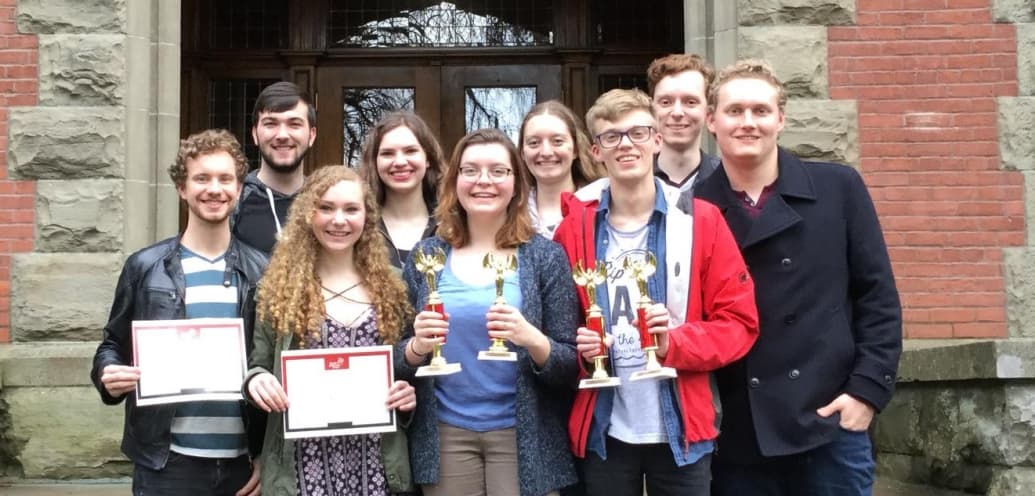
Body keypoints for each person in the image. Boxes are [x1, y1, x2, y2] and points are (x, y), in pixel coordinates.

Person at [694, 59, 902, 496]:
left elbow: (877, 298)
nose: (748, 122)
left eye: (760, 111)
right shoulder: (691, 209)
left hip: (829, 424)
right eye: (734, 111)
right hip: (736, 434)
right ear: (711, 121)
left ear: (781, 120)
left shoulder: (838, 188)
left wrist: (865, 394)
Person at [552, 89, 759, 496]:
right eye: (611, 137)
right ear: (596, 151)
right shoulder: (572, 231)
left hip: (681, 427)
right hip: (604, 430)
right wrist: (581, 347)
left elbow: (740, 323)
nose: (626, 144)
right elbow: (558, 329)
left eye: (638, 133)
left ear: (657, 141)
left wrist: (675, 344)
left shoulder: (701, 221)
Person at [399, 129, 580, 496]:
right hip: (446, 434)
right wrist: (416, 348)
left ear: (516, 183)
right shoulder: (425, 257)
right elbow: (393, 360)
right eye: (471, 170)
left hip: (522, 434)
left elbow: (569, 365)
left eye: (498, 171)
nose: (484, 181)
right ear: (455, 182)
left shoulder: (545, 257)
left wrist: (531, 338)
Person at [91, 129, 268, 496]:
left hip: (242, 462)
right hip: (166, 462)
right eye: (201, 178)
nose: (214, 189)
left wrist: (267, 456)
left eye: (225, 178)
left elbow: (272, 363)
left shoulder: (262, 271)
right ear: (182, 188)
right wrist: (108, 373)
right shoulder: (144, 266)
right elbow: (112, 344)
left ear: (238, 189)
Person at [243, 165, 418, 495]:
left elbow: (410, 368)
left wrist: (409, 394)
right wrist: (257, 380)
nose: (339, 220)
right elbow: (258, 364)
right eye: (326, 208)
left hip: (376, 465)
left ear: (366, 217)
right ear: (309, 214)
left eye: (351, 209)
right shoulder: (279, 288)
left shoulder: (395, 286)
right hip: (301, 466)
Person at [232, 81, 318, 255]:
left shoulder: (326, 202)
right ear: (255, 134)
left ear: (311, 135)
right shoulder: (232, 202)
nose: (282, 135)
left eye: (294, 124)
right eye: (271, 124)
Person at [359, 111, 445, 268]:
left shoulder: (451, 224)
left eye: (410, 151)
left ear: (428, 159)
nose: (399, 162)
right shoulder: (359, 225)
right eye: (387, 153)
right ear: (375, 163)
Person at [518, 100, 604, 238]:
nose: (546, 152)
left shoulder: (601, 206)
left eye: (557, 141)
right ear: (522, 152)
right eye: (534, 143)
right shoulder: (510, 214)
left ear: (576, 149)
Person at [647, 53, 720, 197]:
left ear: (708, 110)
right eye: (666, 102)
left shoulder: (727, 180)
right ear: (651, 109)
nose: (677, 112)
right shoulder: (632, 179)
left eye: (690, 102)